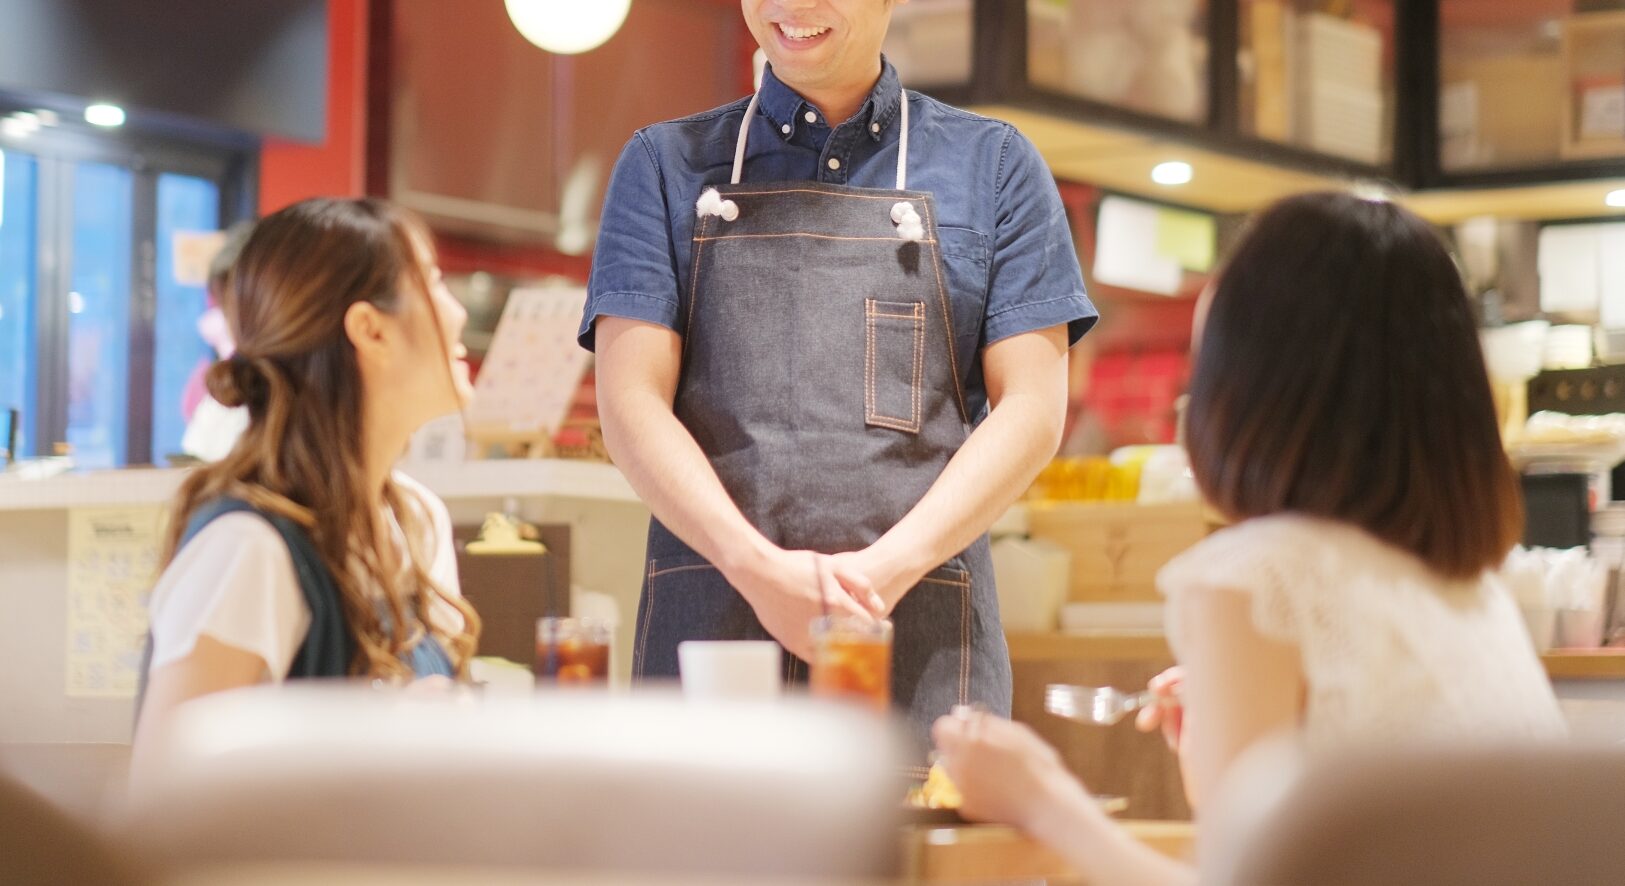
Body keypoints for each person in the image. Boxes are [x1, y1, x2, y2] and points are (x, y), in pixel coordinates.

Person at [931, 192, 1567, 885]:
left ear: (1254, 384)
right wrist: (1217, 753)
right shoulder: (1469, 590)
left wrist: (1040, 799)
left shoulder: (1257, 577)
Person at [581, 0, 1096, 759]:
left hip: (917, 629)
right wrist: (755, 569)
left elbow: (1031, 410)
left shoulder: (994, 166)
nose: (789, 8)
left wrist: (882, 574)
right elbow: (629, 402)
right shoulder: (662, 163)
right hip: (715, 624)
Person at [134, 198, 482, 772]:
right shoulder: (250, 551)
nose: (458, 313)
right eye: (435, 282)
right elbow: (163, 811)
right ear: (370, 330)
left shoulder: (416, 519)